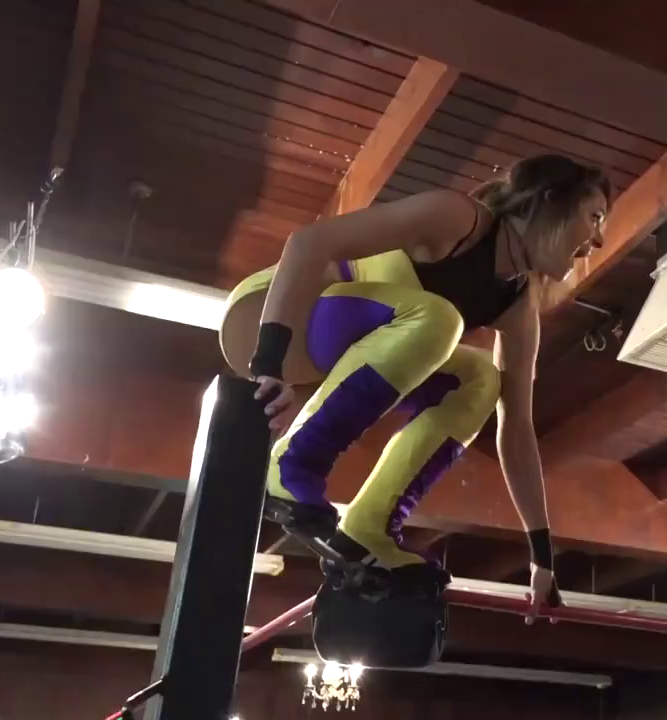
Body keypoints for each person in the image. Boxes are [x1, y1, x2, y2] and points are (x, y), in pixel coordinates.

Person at [217, 154, 611, 631]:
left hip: (352, 348)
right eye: (594, 217)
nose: (598, 240)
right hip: (282, 310)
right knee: (441, 319)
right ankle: (292, 465)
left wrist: (541, 554)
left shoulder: (518, 307)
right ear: (549, 202)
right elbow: (308, 243)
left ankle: (369, 526)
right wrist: (268, 362)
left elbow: (517, 429)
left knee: (480, 379)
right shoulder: (458, 219)